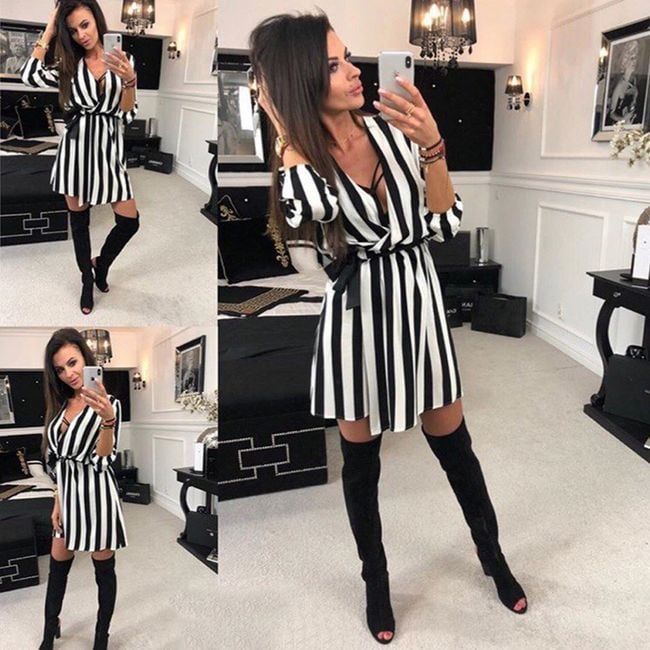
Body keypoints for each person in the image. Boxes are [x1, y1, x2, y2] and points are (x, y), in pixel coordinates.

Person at [249, 11, 528, 644]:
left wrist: (433, 146)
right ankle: (376, 580)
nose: (355, 72)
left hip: (419, 302)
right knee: (362, 465)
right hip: (355, 317)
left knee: (456, 448)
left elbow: (444, 221)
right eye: (333, 65)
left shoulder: (394, 130)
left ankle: (493, 556)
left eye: (348, 57)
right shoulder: (298, 160)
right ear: (300, 81)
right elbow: (316, 207)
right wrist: (284, 128)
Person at [20, 0, 141, 315]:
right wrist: (50, 29)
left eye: (85, 25)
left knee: (129, 222)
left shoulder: (124, 60)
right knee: (80, 222)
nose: (81, 35)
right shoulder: (67, 65)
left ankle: (102, 264)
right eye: (73, 30)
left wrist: (129, 81)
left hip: (109, 151)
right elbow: (28, 75)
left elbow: (128, 114)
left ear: (97, 20)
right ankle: (87, 279)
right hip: (75, 152)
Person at [40, 328, 126, 649]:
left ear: (86, 359)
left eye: (73, 363)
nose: (69, 373)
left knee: (103, 572)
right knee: (57, 569)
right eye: (60, 369)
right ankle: (50, 629)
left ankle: (101, 636)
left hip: (97, 497)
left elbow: (104, 459)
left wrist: (107, 421)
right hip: (68, 498)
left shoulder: (109, 404)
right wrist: (57, 500)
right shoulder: (60, 407)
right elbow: (57, 463)